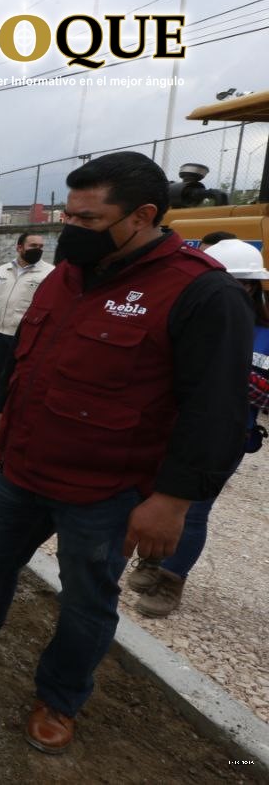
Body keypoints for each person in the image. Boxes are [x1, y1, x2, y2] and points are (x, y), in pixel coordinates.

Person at [0, 152, 252, 755]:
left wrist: (171, 501)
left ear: (143, 216)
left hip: (106, 490)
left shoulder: (199, 292)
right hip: (26, 465)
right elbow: (26, 357)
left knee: (87, 599)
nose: (71, 229)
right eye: (69, 214)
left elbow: (215, 410)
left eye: (88, 219)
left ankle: (60, 698)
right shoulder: (66, 276)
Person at [126, 238, 269, 616]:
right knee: (150, 497)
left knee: (191, 510)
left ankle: (171, 580)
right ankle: (152, 559)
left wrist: (225, 373)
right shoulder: (188, 315)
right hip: (171, 426)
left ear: (250, 286)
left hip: (224, 437)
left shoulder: (264, 335)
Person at [0, 232, 54, 421]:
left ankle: (11, 411)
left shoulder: (49, 273)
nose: (38, 250)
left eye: (41, 246)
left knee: (19, 375)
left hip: (24, 334)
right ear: (20, 247)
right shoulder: (3, 270)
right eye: (33, 246)